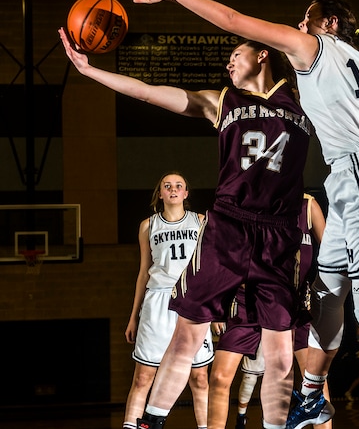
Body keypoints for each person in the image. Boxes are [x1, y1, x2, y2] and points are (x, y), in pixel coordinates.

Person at [125, 0, 359, 429]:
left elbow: (233, 19)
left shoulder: (314, 50)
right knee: (328, 293)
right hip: (345, 178)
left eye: (306, 17)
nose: (299, 24)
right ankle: (310, 398)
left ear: (328, 23)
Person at [60, 24, 311, 429]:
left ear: (263, 54)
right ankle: (151, 422)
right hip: (228, 227)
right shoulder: (223, 101)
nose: (228, 62)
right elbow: (147, 91)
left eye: (236, 54)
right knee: (187, 337)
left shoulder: (304, 100)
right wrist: (91, 72)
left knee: (279, 354)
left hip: (279, 233)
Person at [207, 193, 330, 429]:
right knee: (220, 377)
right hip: (247, 300)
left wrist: (323, 296)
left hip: (295, 303)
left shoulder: (307, 205)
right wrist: (219, 305)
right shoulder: (246, 203)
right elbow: (224, 258)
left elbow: (332, 256)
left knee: (314, 383)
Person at [124, 172, 212, 429]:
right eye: (167, 186)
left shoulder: (201, 221)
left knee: (200, 378)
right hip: (158, 301)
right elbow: (143, 272)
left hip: (193, 301)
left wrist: (215, 312)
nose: (173, 189)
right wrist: (133, 316)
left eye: (178, 186)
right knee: (143, 377)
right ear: (160, 194)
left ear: (186, 194)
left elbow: (210, 269)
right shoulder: (148, 226)